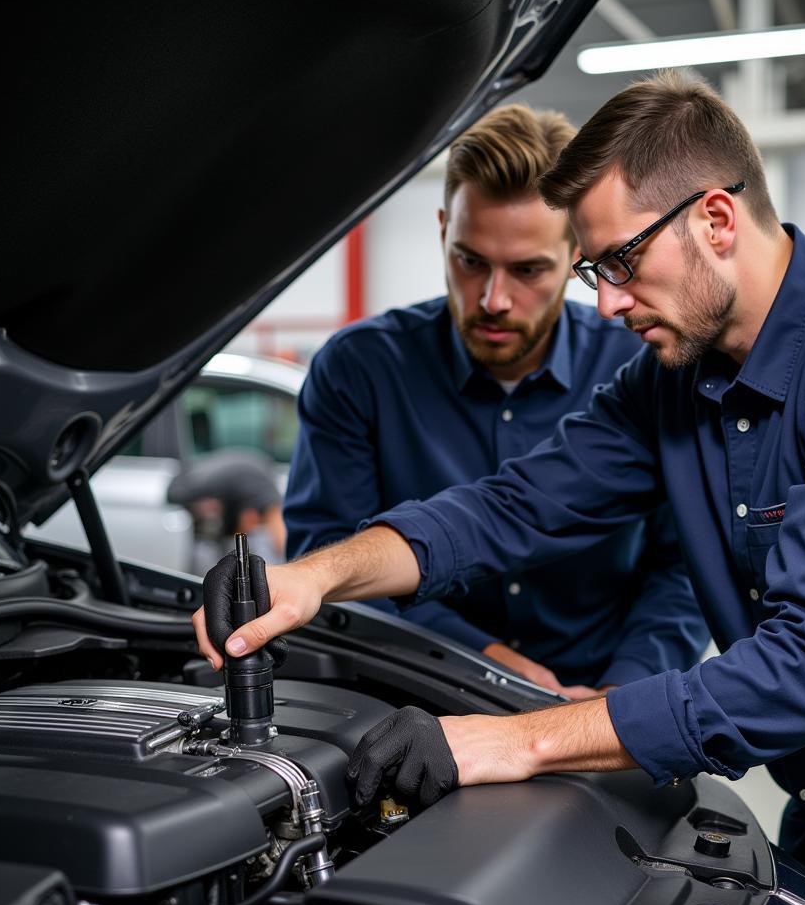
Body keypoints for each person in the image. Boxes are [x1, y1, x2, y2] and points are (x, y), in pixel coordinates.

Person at [196, 72, 805, 905]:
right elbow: (509, 507)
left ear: (717, 220)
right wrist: (315, 575)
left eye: (617, 263)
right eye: (592, 273)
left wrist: (514, 742)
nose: (605, 307)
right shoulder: (674, 380)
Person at [283, 104, 707, 695]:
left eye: (528, 269)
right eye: (469, 261)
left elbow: (681, 566)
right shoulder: (360, 370)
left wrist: (630, 689)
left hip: (602, 699)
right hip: (417, 696)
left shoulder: (640, 366)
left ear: (575, 255)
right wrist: (479, 658)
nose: (493, 300)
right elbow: (328, 559)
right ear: (442, 232)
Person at [167, 448, 285, 575]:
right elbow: (249, 530)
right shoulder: (263, 493)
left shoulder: (260, 481)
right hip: (181, 494)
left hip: (182, 480)